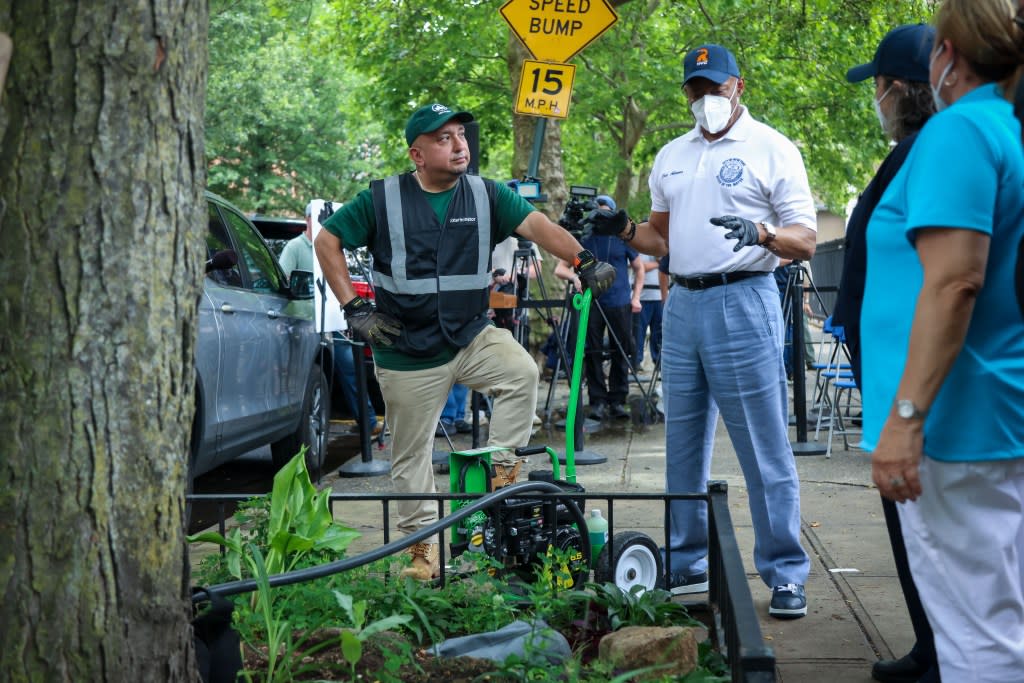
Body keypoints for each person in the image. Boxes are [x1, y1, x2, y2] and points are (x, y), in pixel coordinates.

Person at [314, 102, 614, 581]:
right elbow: (326, 241)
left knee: (521, 372)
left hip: (470, 336)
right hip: (406, 347)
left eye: (460, 135)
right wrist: (355, 308)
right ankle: (423, 554)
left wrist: (582, 259)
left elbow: (538, 227)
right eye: (443, 138)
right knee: (411, 456)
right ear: (417, 154)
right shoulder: (381, 199)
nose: (459, 145)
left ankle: (494, 491)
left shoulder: (486, 194)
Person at [586, 43, 817, 618]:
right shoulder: (671, 154)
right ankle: (688, 559)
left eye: (715, 86)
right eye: (695, 87)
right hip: (682, 301)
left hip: (744, 298)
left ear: (739, 85)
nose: (705, 97)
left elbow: (805, 239)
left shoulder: (772, 149)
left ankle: (785, 572)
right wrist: (623, 228)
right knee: (682, 445)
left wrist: (762, 234)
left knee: (763, 447)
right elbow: (659, 240)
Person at [861, 1, 1024, 679]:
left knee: (976, 640)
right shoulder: (1004, 127)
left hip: (955, 428)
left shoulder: (960, 132)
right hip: (985, 415)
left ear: (947, 54)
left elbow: (956, 281)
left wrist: (905, 419)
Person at [836, 23, 939, 683]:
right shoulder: (914, 150)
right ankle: (930, 647)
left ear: (899, 88)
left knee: (925, 527)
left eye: (877, 85)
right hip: (891, 370)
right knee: (909, 526)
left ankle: (942, 654)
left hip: (913, 379)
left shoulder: (932, 149)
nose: (873, 97)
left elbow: (952, 273)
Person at [554, 194, 643, 420]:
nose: (601, 216)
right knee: (592, 351)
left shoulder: (622, 238)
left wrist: (636, 297)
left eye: (606, 212)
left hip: (619, 301)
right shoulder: (585, 238)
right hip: (590, 303)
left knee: (621, 351)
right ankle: (598, 401)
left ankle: (618, 400)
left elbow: (639, 268)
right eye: (598, 211)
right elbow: (560, 268)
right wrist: (575, 278)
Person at [632, 252, 663, 373]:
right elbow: (640, 267)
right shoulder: (637, 248)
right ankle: (636, 361)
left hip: (660, 295)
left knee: (659, 333)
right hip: (642, 297)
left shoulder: (662, 247)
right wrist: (658, 264)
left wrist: (659, 261)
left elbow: (669, 266)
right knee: (638, 332)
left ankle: (659, 361)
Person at [278, 202, 315, 279]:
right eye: (317, 216)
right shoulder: (294, 246)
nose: (322, 221)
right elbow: (284, 280)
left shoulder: (329, 248)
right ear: (307, 219)